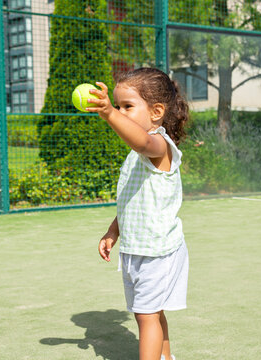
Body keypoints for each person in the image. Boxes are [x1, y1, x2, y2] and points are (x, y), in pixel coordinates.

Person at [87, 67, 190, 360]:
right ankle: (166, 357)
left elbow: (142, 141)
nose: (120, 112)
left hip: (158, 251)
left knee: (146, 316)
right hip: (137, 249)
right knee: (147, 314)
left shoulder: (159, 146)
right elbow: (132, 200)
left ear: (157, 111)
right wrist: (113, 231)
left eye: (127, 107)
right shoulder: (135, 156)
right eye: (117, 106)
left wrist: (109, 113)